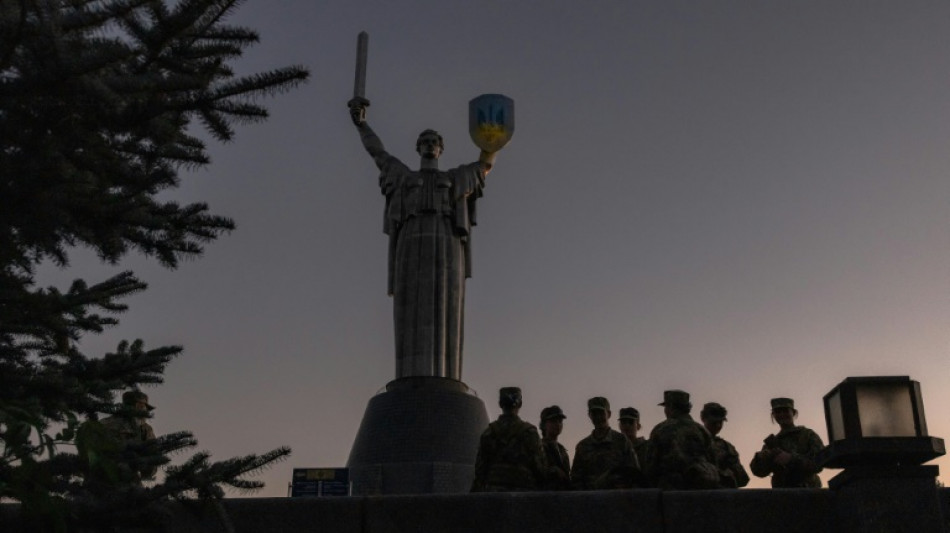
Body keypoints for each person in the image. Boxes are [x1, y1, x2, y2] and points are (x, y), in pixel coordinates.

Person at [349, 101, 497, 381]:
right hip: (411, 240)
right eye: (425, 141)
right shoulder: (404, 177)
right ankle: (408, 378)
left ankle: (447, 378)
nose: (430, 145)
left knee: (447, 305)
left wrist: (494, 138)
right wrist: (362, 125)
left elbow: (485, 164)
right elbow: (377, 153)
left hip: (446, 241)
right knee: (409, 307)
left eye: (434, 141)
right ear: (418, 148)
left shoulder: (454, 178)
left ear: (441, 149)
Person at [471, 387, 546, 492]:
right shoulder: (529, 432)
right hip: (523, 495)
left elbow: (480, 471)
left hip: (493, 495)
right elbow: (540, 468)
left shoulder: (488, 433)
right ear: (520, 404)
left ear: (500, 404)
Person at [642, 390, 719, 490]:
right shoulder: (701, 430)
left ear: (670, 407)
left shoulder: (660, 430)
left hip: (670, 493)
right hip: (699, 492)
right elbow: (713, 462)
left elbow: (651, 467)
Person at [750, 397, 824, 488]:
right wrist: (762, 458)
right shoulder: (771, 443)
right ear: (773, 415)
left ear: (793, 413)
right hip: (783, 495)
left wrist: (791, 459)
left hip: (808, 493)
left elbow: (820, 463)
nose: (782, 414)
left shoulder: (807, 435)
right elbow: (759, 472)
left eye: (785, 411)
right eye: (777, 412)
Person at [571, 397, 639, 490]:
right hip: (590, 500)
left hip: (617, 499)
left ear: (609, 414)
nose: (598, 417)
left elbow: (634, 473)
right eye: (594, 413)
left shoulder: (622, 441)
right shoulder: (583, 446)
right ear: (589, 415)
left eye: (601, 413)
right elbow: (576, 479)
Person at [99, 389, 158, 483]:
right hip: (119, 481)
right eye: (144, 407)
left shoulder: (103, 423)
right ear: (138, 406)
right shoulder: (144, 429)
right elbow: (151, 464)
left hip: (100, 479)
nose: (146, 412)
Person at [700, 402, 749, 489]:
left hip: (723, 496)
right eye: (714, 422)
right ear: (703, 419)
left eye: (720, 422)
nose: (718, 425)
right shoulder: (693, 442)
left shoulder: (727, 447)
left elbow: (743, 479)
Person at [539, 405, 571, 490]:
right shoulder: (538, 447)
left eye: (560, 421)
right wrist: (553, 470)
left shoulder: (562, 450)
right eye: (553, 421)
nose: (557, 424)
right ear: (543, 425)